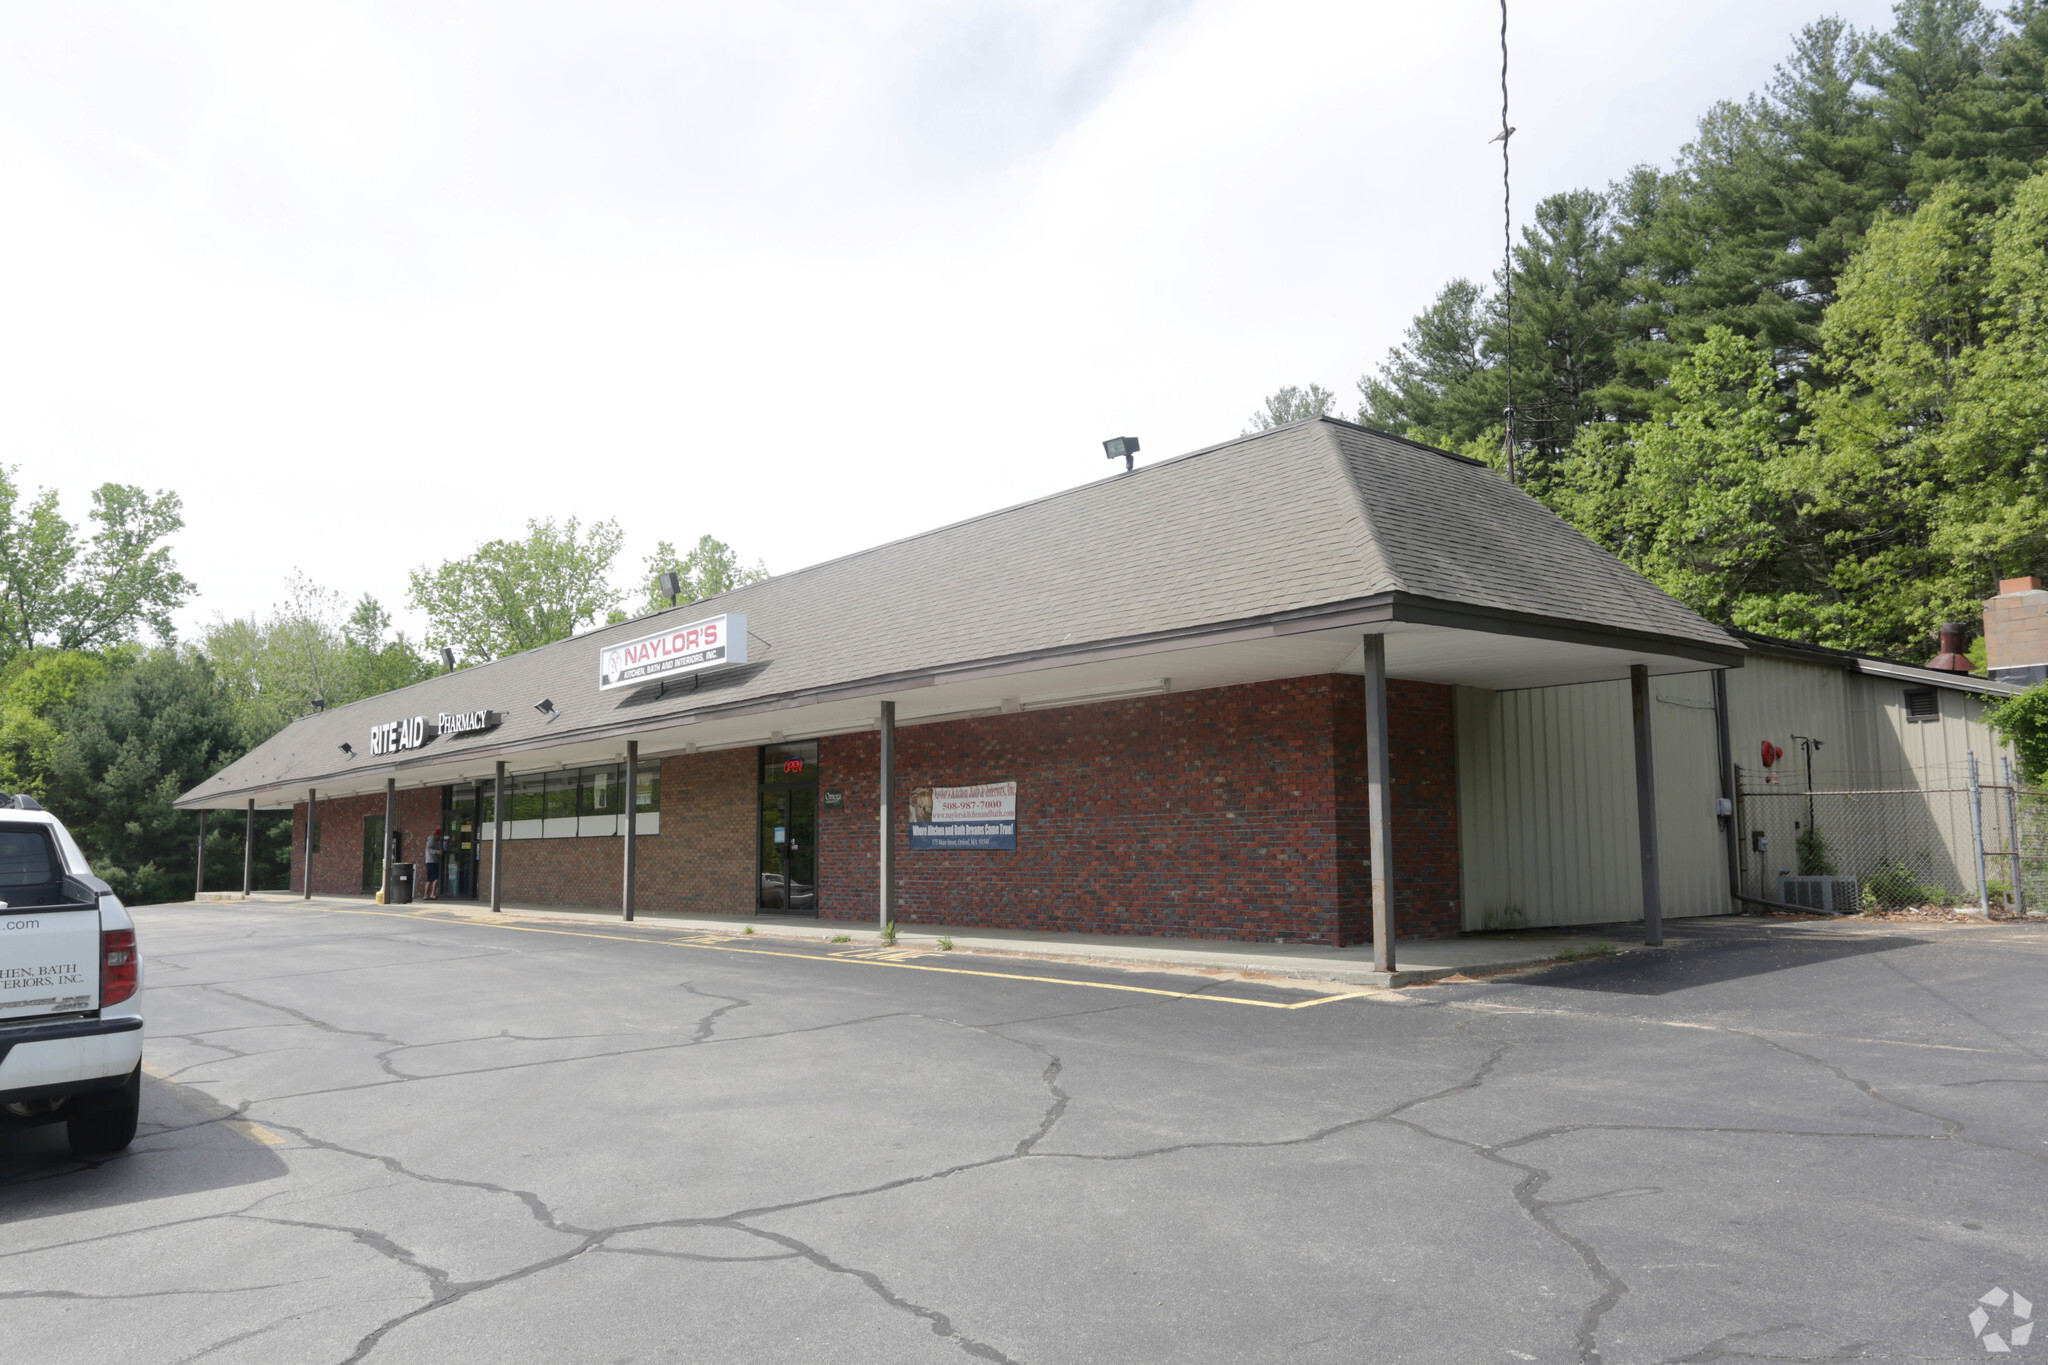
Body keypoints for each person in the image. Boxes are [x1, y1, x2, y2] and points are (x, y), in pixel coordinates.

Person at [422, 827, 444, 900]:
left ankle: (425, 895)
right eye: (440, 836)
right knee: (436, 879)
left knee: (430, 880)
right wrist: (438, 852)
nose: (440, 838)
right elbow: (428, 849)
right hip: (432, 862)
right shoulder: (432, 839)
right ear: (437, 835)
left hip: (429, 862)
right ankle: (433, 894)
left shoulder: (435, 841)